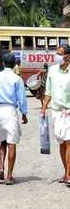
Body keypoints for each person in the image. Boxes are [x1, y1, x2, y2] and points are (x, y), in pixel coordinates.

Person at [0, 52, 28, 185]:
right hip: (9, 110)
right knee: (11, 143)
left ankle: (1, 168)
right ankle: (9, 176)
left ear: (3, 63)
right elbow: (22, 99)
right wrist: (24, 114)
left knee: (2, 141)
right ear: (15, 65)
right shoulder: (17, 79)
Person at [41, 45, 70, 187]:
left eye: (60, 54)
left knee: (69, 142)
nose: (57, 56)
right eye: (56, 53)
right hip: (57, 112)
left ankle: (69, 175)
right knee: (62, 143)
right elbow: (48, 92)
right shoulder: (52, 71)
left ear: (68, 56)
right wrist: (43, 108)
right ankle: (66, 172)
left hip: (69, 112)